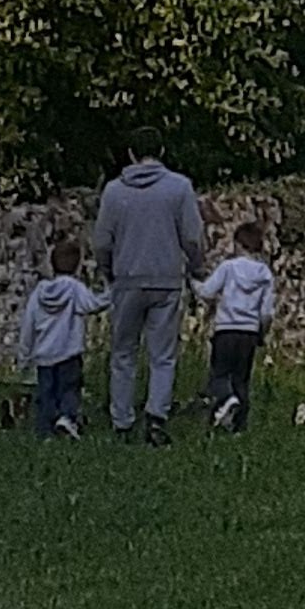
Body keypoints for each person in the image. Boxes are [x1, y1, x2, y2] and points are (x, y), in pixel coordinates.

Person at [92, 143, 205, 445]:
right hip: (166, 279)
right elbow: (192, 237)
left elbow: (102, 240)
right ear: (163, 150)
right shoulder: (179, 187)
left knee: (123, 353)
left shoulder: (114, 192)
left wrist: (108, 271)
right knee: (163, 355)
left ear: (130, 153)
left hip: (126, 278)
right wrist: (196, 268)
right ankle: (156, 416)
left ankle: (122, 420)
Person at [16, 235, 105, 441]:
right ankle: (67, 418)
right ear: (77, 266)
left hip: (44, 355)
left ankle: (45, 430)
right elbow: (91, 305)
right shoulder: (75, 288)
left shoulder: (39, 292)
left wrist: (24, 355)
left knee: (46, 393)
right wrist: (111, 296)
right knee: (69, 388)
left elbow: (29, 324)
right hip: (69, 352)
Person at [193, 228, 277, 433]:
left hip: (226, 329)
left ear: (238, 244)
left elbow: (207, 292)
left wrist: (192, 282)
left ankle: (226, 400)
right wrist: (262, 334)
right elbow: (267, 313)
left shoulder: (228, 267)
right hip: (249, 332)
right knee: (242, 379)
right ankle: (239, 427)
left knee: (219, 376)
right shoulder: (265, 274)